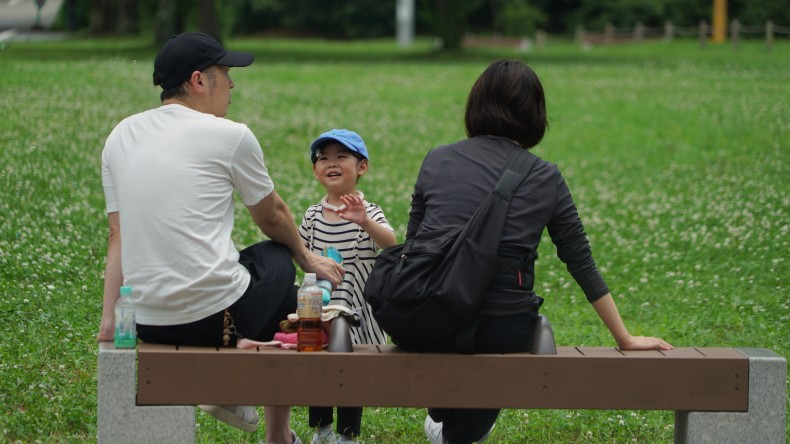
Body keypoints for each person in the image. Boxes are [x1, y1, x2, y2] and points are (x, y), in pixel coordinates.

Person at [405, 59, 674, 444]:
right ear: (535, 114)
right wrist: (625, 338)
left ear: (475, 105)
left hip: (425, 316)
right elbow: (579, 260)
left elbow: (413, 249)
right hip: (502, 326)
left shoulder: (437, 159)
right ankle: (453, 433)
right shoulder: (545, 176)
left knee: (457, 334)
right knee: (493, 334)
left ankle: (445, 421)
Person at [97, 32, 344, 444]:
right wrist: (307, 258)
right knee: (278, 261)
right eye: (225, 74)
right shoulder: (229, 134)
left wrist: (109, 320)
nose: (232, 84)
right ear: (199, 80)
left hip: (147, 323)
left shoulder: (120, 136)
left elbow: (116, 233)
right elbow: (273, 215)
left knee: (279, 294)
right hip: (214, 322)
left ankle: (268, 424)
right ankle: (260, 416)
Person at [297, 129, 397, 444]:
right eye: (323, 158)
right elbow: (299, 253)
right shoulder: (313, 215)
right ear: (315, 171)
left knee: (351, 373)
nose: (331, 163)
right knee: (318, 370)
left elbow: (390, 243)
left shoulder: (369, 212)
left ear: (361, 167)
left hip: (357, 312)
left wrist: (364, 221)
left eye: (342, 156)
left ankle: (348, 435)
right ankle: (322, 428)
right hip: (319, 309)